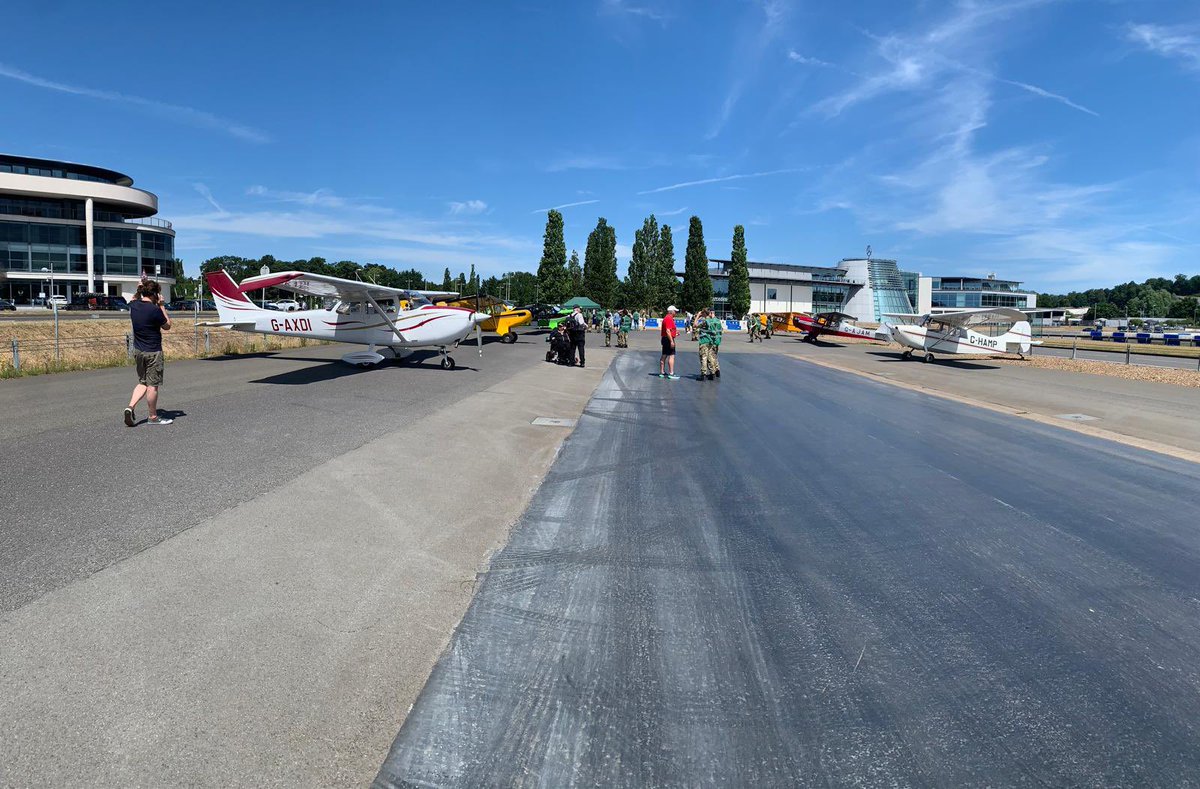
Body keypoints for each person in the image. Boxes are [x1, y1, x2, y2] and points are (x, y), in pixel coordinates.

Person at [124, 280, 173, 426]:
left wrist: (140, 288)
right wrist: (162, 305)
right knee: (153, 385)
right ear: (155, 294)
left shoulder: (134, 305)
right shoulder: (155, 310)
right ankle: (152, 417)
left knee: (143, 382)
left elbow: (134, 298)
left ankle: (130, 406)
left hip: (138, 350)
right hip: (153, 351)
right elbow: (167, 326)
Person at [698, 309, 723, 380]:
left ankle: (712, 372)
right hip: (717, 340)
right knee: (714, 356)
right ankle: (716, 370)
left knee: (709, 357)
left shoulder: (711, 321)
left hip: (711, 340)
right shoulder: (718, 321)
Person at [659, 305, 679, 379]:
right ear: (672, 311)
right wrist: (671, 341)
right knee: (671, 355)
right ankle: (671, 373)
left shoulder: (666, 318)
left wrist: (675, 333)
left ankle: (662, 372)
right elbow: (668, 331)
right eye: (675, 311)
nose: (676, 313)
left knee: (664, 354)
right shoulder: (669, 319)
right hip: (668, 339)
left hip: (665, 338)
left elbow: (668, 330)